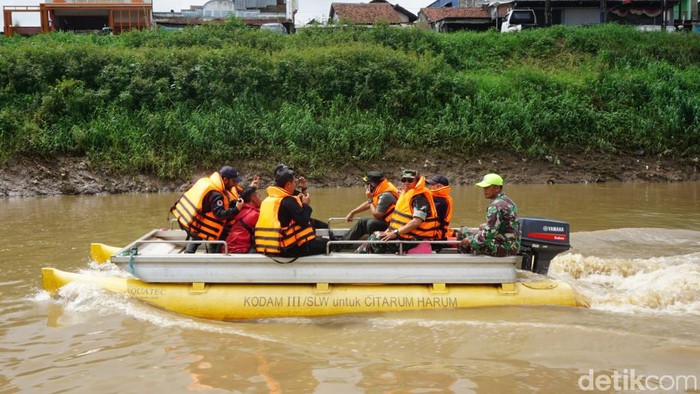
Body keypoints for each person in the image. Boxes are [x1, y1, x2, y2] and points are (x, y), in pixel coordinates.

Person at [255, 166, 329, 257]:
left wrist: (303, 190)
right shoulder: (288, 201)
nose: (295, 185)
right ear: (288, 184)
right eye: (294, 182)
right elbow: (304, 222)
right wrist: (306, 204)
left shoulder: (268, 199)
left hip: (271, 248)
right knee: (329, 244)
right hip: (288, 249)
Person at [171, 166, 246, 253]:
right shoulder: (216, 194)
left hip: (196, 219)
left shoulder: (211, 183)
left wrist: (252, 187)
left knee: (197, 237)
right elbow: (219, 215)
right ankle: (205, 257)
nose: (235, 183)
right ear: (225, 180)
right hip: (200, 223)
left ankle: (189, 254)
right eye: (234, 181)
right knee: (205, 236)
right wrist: (236, 209)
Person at [361, 169, 438, 253]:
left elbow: (416, 222)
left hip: (413, 238)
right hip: (403, 234)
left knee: (376, 240)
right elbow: (395, 218)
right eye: (403, 180)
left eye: (410, 180)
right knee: (375, 235)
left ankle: (369, 260)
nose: (406, 182)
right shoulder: (406, 194)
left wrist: (396, 232)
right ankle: (362, 256)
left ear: (417, 181)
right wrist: (388, 231)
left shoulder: (420, 198)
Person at [459, 173, 521, 256]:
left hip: (505, 246)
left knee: (466, 242)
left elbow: (487, 236)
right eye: (484, 188)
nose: (484, 190)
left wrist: (469, 241)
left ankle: (466, 265)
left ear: (497, 188)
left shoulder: (495, 206)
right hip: (511, 243)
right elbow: (498, 226)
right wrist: (483, 227)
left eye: (487, 187)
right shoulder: (507, 201)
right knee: (464, 231)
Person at [342, 171, 399, 241]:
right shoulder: (381, 189)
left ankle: (375, 245)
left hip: (391, 225)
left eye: (368, 184)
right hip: (385, 221)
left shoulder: (385, 195)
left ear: (373, 184)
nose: (367, 186)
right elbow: (369, 204)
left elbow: (376, 215)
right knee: (362, 221)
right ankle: (343, 242)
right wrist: (353, 212)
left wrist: (369, 199)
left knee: (371, 224)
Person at [225, 186, 261, 253]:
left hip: (229, 247)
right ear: (254, 199)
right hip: (239, 249)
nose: (260, 199)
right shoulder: (254, 214)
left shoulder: (242, 209)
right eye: (259, 196)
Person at [426, 174, 454, 247]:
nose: (429, 187)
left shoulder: (440, 202)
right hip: (436, 236)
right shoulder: (437, 198)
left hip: (436, 238)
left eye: (432, 185)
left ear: (439, 186)